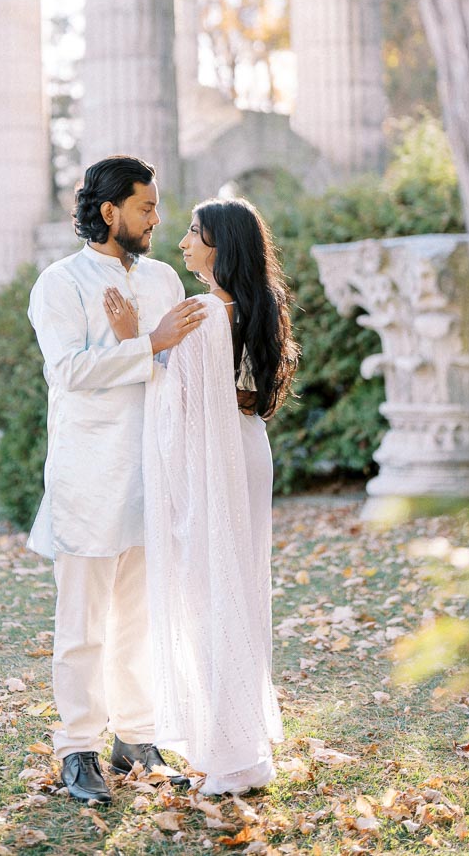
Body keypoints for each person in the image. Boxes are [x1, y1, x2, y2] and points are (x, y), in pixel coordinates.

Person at [26, 155, 207, 805]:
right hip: (89, 478)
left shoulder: (162, 280)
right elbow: (69, 371)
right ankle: (77, 749)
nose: (157, 219)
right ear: (110, 212)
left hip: (153, 474)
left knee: (140, 618)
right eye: (146, 208)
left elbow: (182, 371)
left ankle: (136, 737)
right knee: (82, 624)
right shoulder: (60, 283)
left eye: (157, 208)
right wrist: (149, 345)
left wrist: (160, 349)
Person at [104, 196, 299, 795]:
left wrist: (134, 340)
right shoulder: (251, 309)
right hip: (244, 452)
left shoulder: (202, 314)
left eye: (193, 232)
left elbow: (177, 405)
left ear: (220, 246)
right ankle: (240, 746)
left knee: (210, 592)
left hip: (214, 464)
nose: (183, 241)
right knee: (234, 586)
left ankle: (232, 755)